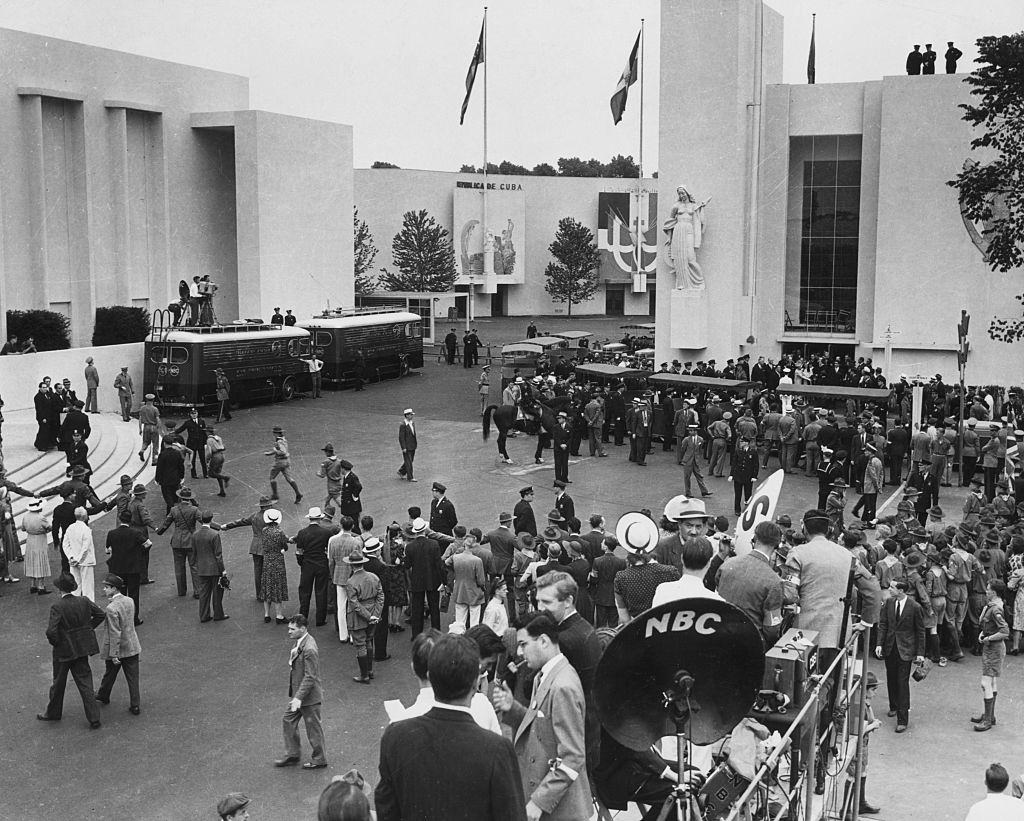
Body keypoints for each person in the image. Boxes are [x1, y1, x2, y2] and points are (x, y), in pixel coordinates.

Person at [377, 634, 525, 821]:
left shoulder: (395, 735)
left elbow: (386, 810)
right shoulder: (498, 749)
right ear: (474, 683)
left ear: (430, 677)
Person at [492, 612, 591, 821]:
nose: (519, 652)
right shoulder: (543, 675)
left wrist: (540, 801)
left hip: (561, 811)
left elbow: (573, 757)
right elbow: (541, 727)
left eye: (523, 644)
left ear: (544, 641)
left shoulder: (563, 686)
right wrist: (513, 708)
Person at [784, 509, 881, 652]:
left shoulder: (797, 553)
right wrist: (866, 622)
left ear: (804, 527)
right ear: (829, 529)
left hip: (806, 634)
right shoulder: (847, 556)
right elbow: (873, 588)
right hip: (840, 635)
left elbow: (789, 595)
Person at [37, 572, 105, 728]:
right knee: (85, 682)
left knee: (58, 683)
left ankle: (53, 713)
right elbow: (101, 615)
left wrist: (57, 642)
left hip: (63, 652)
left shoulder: (57, 606)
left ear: (60, 589)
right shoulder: (84, 601)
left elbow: (51, 631)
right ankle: (94, 718)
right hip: (81, 648)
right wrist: (86, 630)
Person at [718, 521, 788, 643]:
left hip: (721, 635)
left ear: (754, 539)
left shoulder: (728, 564)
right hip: (751, 645)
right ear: (776, 546)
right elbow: (771, 629)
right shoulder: (774, 581)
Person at [275, 614, 328, 770]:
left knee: (313, 728)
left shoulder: (309, 649)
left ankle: (319, 759)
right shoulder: (301, 642)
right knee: (288, 719)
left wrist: (298, 697)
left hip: (308, 697)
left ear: (302, 629)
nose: (289, 632)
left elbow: (310, 676)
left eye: (292, 629)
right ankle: (292, 753)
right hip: (301, 695)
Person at [874, 580, 925, 733]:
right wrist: (879, 644)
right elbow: (883, 624)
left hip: (906, 649)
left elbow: (920, 631)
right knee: (891, 677)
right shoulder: (889, 603)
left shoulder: (915, 607)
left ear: (901, 590)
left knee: (902, 682)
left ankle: (902, 719)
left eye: (892, 587)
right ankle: (894, 706)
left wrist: (920, 653)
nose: (889, 589)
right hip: (890, 647)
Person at [95, 574, 142, 715]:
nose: (104, 589)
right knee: (133, 678)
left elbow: (115, 632)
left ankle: (103, 695)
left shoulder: (111, 608)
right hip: (132, 644)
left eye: (107, 587)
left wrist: (114, 654)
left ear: (114, 589)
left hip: (118, 648)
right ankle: (135, 705)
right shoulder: (129, 600)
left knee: (110, 673)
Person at [971, 579, 1010, 732]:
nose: (986, 591)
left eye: (988, 589)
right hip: (991, 649)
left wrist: (988, 638)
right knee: (992, 682)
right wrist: (984, 633)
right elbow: (989, 625)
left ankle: (987, 720)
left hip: (994, 650)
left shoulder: (995, 609)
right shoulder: (993, 606)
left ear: (994, 592)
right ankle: (990, 715)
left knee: (985, 683)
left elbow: (1005, 632)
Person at [221, 496, 273, 601]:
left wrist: (227, 525)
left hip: (255, 546)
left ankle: (259, 594)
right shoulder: (271, 517)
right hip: (267, 546)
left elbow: (241, 521)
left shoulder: (254, 516)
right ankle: (267, 593)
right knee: (268, 570)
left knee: (258, 571)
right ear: (268, 506)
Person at [345, 547, 384, 684]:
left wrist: (368, 616)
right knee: (368, 640)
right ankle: (370, 671)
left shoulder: (350, 582)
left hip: (359, 617)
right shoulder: (374, 577)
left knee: (360, 644)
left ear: (351, 564)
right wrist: (375, 614)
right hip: (373, 613)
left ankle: (364, 675)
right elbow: (381, 596)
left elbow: (355, 604)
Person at [156, 486, 200, 598]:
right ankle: (197, 591)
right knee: (194, 566)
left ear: (180, 498)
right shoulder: (194, 510)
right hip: (190, 541)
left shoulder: (174, 510)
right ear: (189, 499)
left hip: (177, 541)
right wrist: (219, 527)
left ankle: (181, 591)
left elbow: (166, 523)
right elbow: (204, 520)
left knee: (179, 567)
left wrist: (159, 531)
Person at [663, 185, 709, 289]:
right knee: (679, 258)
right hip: (678, 230)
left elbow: (699, 220)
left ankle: (699, 282)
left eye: (683, 193)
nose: (681, 195)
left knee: (690, 258)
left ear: (687, 193)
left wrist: (701, 209)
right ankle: (681, 283)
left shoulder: (694, 206)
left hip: (689, 230)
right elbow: (669, 223)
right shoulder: (676, 206)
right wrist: (669, 237)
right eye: (679, 193)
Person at [105, 510, 147, 624]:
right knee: (133, 594)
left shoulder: (112, 533)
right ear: (130, 520)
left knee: (119, 594)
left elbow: (107, 550)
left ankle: (120, 618)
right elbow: (148, 543)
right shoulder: (136, 533)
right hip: (133, 567)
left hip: (117, 568)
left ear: (120, 519)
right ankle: (134, 618)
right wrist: (139, 552)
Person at [406, 517, 445, 635]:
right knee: (434, 608)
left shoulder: (410, 547)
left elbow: (407, 565)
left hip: (417, 580)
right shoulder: (434, 544)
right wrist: (444, 581)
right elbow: (439, 565)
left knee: (417, 608)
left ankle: (416, 634)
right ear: (425, 529)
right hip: (432, 580)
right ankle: (436, 632)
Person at [295, 507, 333, 628]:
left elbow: (299, 552)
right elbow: (329, 550)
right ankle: (320, 619)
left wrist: (302, 563)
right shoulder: (326, 533)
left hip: (307, 564)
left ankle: (303, 617)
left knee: (305, 591)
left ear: (310, 518)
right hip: (322, 564)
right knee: (321, 591)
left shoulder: (302, 533)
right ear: (320, 519)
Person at [193, 510, 228, 623]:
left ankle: (204, 615)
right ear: (211, 520)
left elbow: (194, 552)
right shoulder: (214, 535)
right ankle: (218, 614)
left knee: (204, 593)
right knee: (217, 593)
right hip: (214, 569)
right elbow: (218, 555)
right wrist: (222, 570)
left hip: (202, 568)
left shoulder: (195, 535)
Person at [260, 509, 291, 624]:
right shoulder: (279, 532)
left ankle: (267, 614)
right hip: (278, 561)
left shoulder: (264, 531)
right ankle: (279, 615)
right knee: (277, 587)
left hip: (267, 560)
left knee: (267, 585)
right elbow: (285, 545)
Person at [63, 507, 97, 601]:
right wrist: (78, 559)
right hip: (85, 562)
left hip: (73, 561)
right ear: (85, 516)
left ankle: (75, 607)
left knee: (75, 587)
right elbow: (85, 548)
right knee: (88, 588)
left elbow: (65, 544)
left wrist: (71, 557)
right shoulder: (86, 529)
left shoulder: (70, 528)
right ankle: (89, 609)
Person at [20, 498, 52, 594]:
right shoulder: (41, 517)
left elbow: (23, 528)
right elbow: (49, 527)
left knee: (31, 560)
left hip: (30, 539)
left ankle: (33, 585)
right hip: (40, 539)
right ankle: (41, 586)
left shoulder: (25, 517)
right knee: (40, 560)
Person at [265, 426, 302, 504]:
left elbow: (282, 451)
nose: (273, 434)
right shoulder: (283, 439)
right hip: (286, 461)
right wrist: (270, 453)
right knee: (289, 478)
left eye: (274, 432)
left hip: (280, 462)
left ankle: (275, 495)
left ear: (276, 433)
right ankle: (298, 493)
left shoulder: (279, 441)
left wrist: (274, 450)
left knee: (272, 477)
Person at [155, 436, 186, 514]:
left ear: (165, 443)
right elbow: (181, 466)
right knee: (174, 495)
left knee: (167, 496)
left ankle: (170, 512)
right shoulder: (177, 453)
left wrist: (157, 479)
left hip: (165, 479)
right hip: (175, 478)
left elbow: (159, 468)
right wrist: (182, 476)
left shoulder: (162, 455)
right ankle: (171, 511)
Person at [730, 435, 759, 515]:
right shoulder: (738, 451)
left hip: (748, 477)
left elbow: (756, 465)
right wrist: (731, 474)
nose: (740, 443)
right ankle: (737, 510)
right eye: (740, 441)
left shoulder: (753, 452)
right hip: (738, 476)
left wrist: (754, 476)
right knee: (738, 495)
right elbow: (734, 463)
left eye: (742, 442)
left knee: (748, 495)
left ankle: (747, 509)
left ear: (747, 443)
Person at [206, 425, 230, 496]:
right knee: (217, 474)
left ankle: (225, 478)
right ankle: (222, 491)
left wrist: (207, 459)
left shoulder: (209, 440)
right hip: (222, 455)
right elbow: (224, 447)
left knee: (211, 473)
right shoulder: (218, 438)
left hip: (215, 456)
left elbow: (209, 452)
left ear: (208, 432)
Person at [137, 394, 161, 465]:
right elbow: (158, 419)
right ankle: (154, 460)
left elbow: (140, 419)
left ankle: (142, 450)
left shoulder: (142, 408)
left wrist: (140, 429)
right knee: (155, 445)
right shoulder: (155, 409)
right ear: (153, 400)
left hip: (146, 427)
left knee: (145, 442)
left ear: (146, 400)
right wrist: (158, 427)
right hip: (153, 426)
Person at [397, 408, 418, 482]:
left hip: (412, 445)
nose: (412, 416)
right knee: (409, 462)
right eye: (411, 415)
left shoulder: (412, 423)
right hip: (407, 447)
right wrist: (403, 447)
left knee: (410, 460)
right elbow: (401, 437)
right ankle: (410, 477)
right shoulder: (403, 425)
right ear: (407, 415)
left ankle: (401, 471)